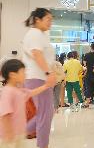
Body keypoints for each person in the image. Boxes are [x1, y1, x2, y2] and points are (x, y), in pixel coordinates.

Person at [0, 59, 56, 148]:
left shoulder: (19, 90)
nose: (25, 75)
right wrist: (8, 133)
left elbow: (32, 92)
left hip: (19, 133)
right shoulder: (8, 92)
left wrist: (46, 86)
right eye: (23, 72)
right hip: (10, 135)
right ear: (13, 75)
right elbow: (5, 115)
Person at [22, 8, 56, 148]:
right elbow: (37, 54)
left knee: (47, 114)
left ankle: (14, 131)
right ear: (37, 20)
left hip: (39, 78)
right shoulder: (35, 33)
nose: (50, 22)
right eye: (48, 19)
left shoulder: (40, 34)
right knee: (44, 115)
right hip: (38, 78)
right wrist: (48, 73)